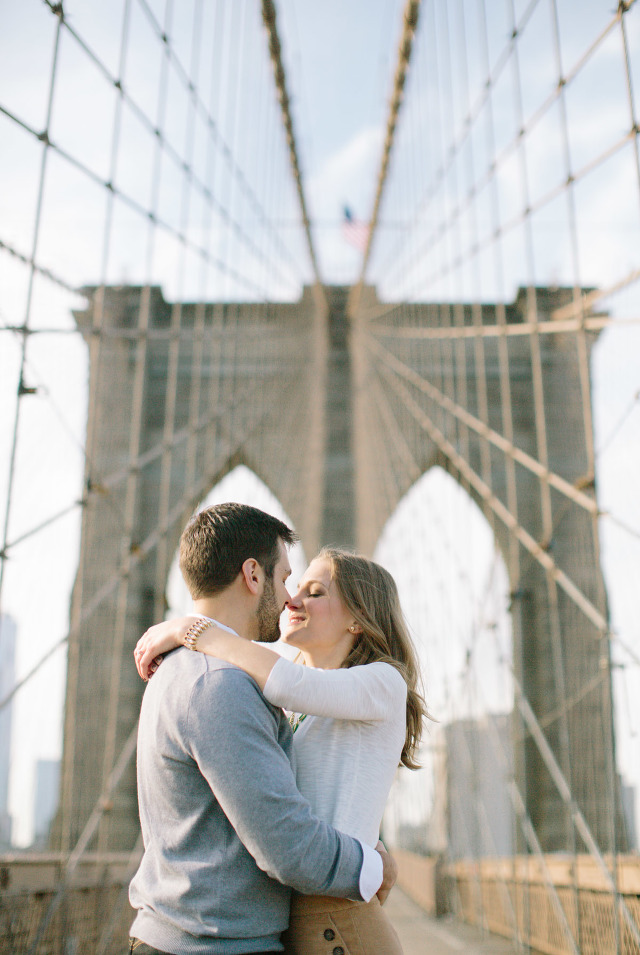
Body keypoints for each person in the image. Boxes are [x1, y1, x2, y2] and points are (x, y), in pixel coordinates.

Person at [135, 537, 429, 955]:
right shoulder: (291, 700)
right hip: (294, 916)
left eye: (316, 593)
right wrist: (371, 853)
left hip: (335, 920)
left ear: (358, 620)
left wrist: (192, 629)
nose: (292, 600)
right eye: (295, 586)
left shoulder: (383, 682)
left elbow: (292, 685)